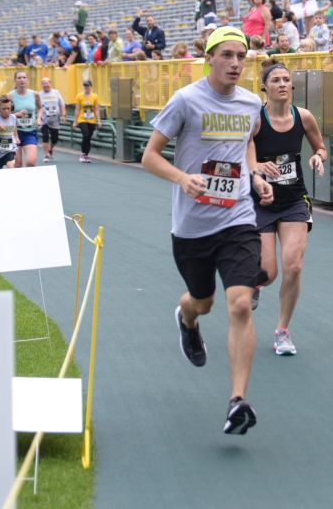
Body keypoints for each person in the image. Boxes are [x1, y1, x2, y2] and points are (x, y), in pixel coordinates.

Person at [141, 26, 274, 435]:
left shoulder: (252, 103)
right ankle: (186, 318)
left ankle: (238, 401)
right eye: (228, 55)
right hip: (192, 226)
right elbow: (149, 155)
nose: (236, 63)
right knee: (204, 300)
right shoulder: (186, 100)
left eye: (242, 57)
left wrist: (254, 174)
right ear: (210, 58)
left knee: (239, 303)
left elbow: (247, 141)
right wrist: (182, 178)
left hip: (237, 217)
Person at [249, 61, 328, 355]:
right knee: (268, 272)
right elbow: (240, 155)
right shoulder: (256, 120)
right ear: (265, 88)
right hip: (261, 201)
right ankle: (256, 283)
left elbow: (321, 147)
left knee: (293, 265)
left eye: (286, 80)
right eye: (276, 80)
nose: (282, 84)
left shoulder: (304, 117)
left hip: (294, 199)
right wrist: (256, 167)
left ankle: (282, 330)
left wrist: (318, 157)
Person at [7, 70, 42, 168]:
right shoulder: (9, 96)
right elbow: (4, 114)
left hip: (30, 132)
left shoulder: (35, 94)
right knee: (17, 165)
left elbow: (40, 108)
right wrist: (16, 114)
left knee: (31, 162)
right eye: (19, 78)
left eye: (24, 77)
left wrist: (39, 118)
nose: (22, 80)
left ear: (27, 80)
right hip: (14, 133)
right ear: (15, 80)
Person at [38, 76, 68, 163]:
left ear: (50, 83)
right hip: (44, 120)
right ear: (41, 85)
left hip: (55, 119)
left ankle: (50, 148)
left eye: (47, 83)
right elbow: (37, 107)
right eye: (43, 83)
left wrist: (63, 114)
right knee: (45, 136)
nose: (45, 85)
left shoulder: (56, 92)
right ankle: (46, 154)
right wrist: (38, 118)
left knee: (55, 138)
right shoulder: (39, 95)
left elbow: (62, 104)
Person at [72, 79, 101, 163]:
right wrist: (75, 121)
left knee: (89, 137)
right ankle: (83, 153)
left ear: (90, 86)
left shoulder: (94, 96)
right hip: (82, 118)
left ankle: (86, 155)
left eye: (87, 85)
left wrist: (99, 121)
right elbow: (77, 109)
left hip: (91, 119)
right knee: (86, 134)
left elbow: (96, 109)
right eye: (85, 85)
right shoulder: (79, 96)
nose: (86, 87)